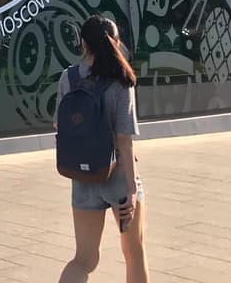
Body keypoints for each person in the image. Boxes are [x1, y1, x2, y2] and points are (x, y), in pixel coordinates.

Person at [56, 15, 149, 283]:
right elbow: (124, 139)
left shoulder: (68, 77)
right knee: (134, 253)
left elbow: (59, 123)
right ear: (116, 43)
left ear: (83, 44)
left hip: (83, 177)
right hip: (118, 177)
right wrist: (132, 190)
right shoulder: (121, 80)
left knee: (84, 259)